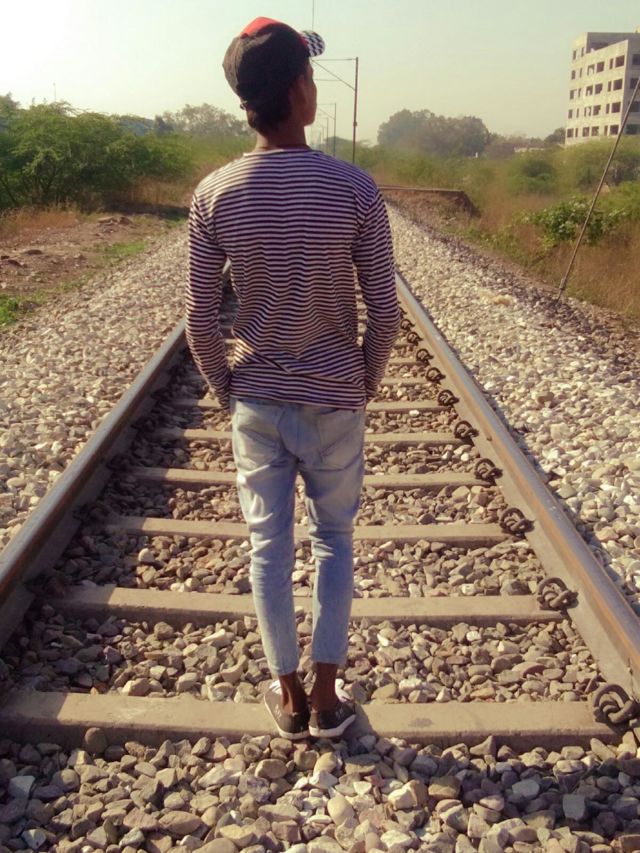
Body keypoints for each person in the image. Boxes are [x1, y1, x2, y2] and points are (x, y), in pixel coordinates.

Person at [185, 16, 400, 739]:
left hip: (258, 400)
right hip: (335, 397)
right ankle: (328, 695)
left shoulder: (214, 193)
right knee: (334, 538)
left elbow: (199, 316)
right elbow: (385, 309)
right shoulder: (355, 187)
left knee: (268, 547)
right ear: (301, 92)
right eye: (309, 75)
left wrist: (226, 389)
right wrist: (363, 381)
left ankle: (286, 695)